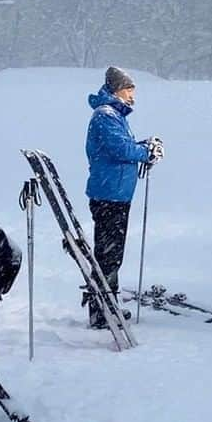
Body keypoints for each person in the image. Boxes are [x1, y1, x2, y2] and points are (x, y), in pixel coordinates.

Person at [85, 67, 163, 328]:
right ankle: (101, 311)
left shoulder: (113, 116)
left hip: (116, 193)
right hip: (109, 195)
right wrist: (146, 152)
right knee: (108, 254)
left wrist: (143, 146)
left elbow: (123, 147)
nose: (132, 95)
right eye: (129, 89)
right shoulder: (105, 116)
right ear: (117, 88)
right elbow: (119, 148)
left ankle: (108, 306)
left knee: (112, 254)